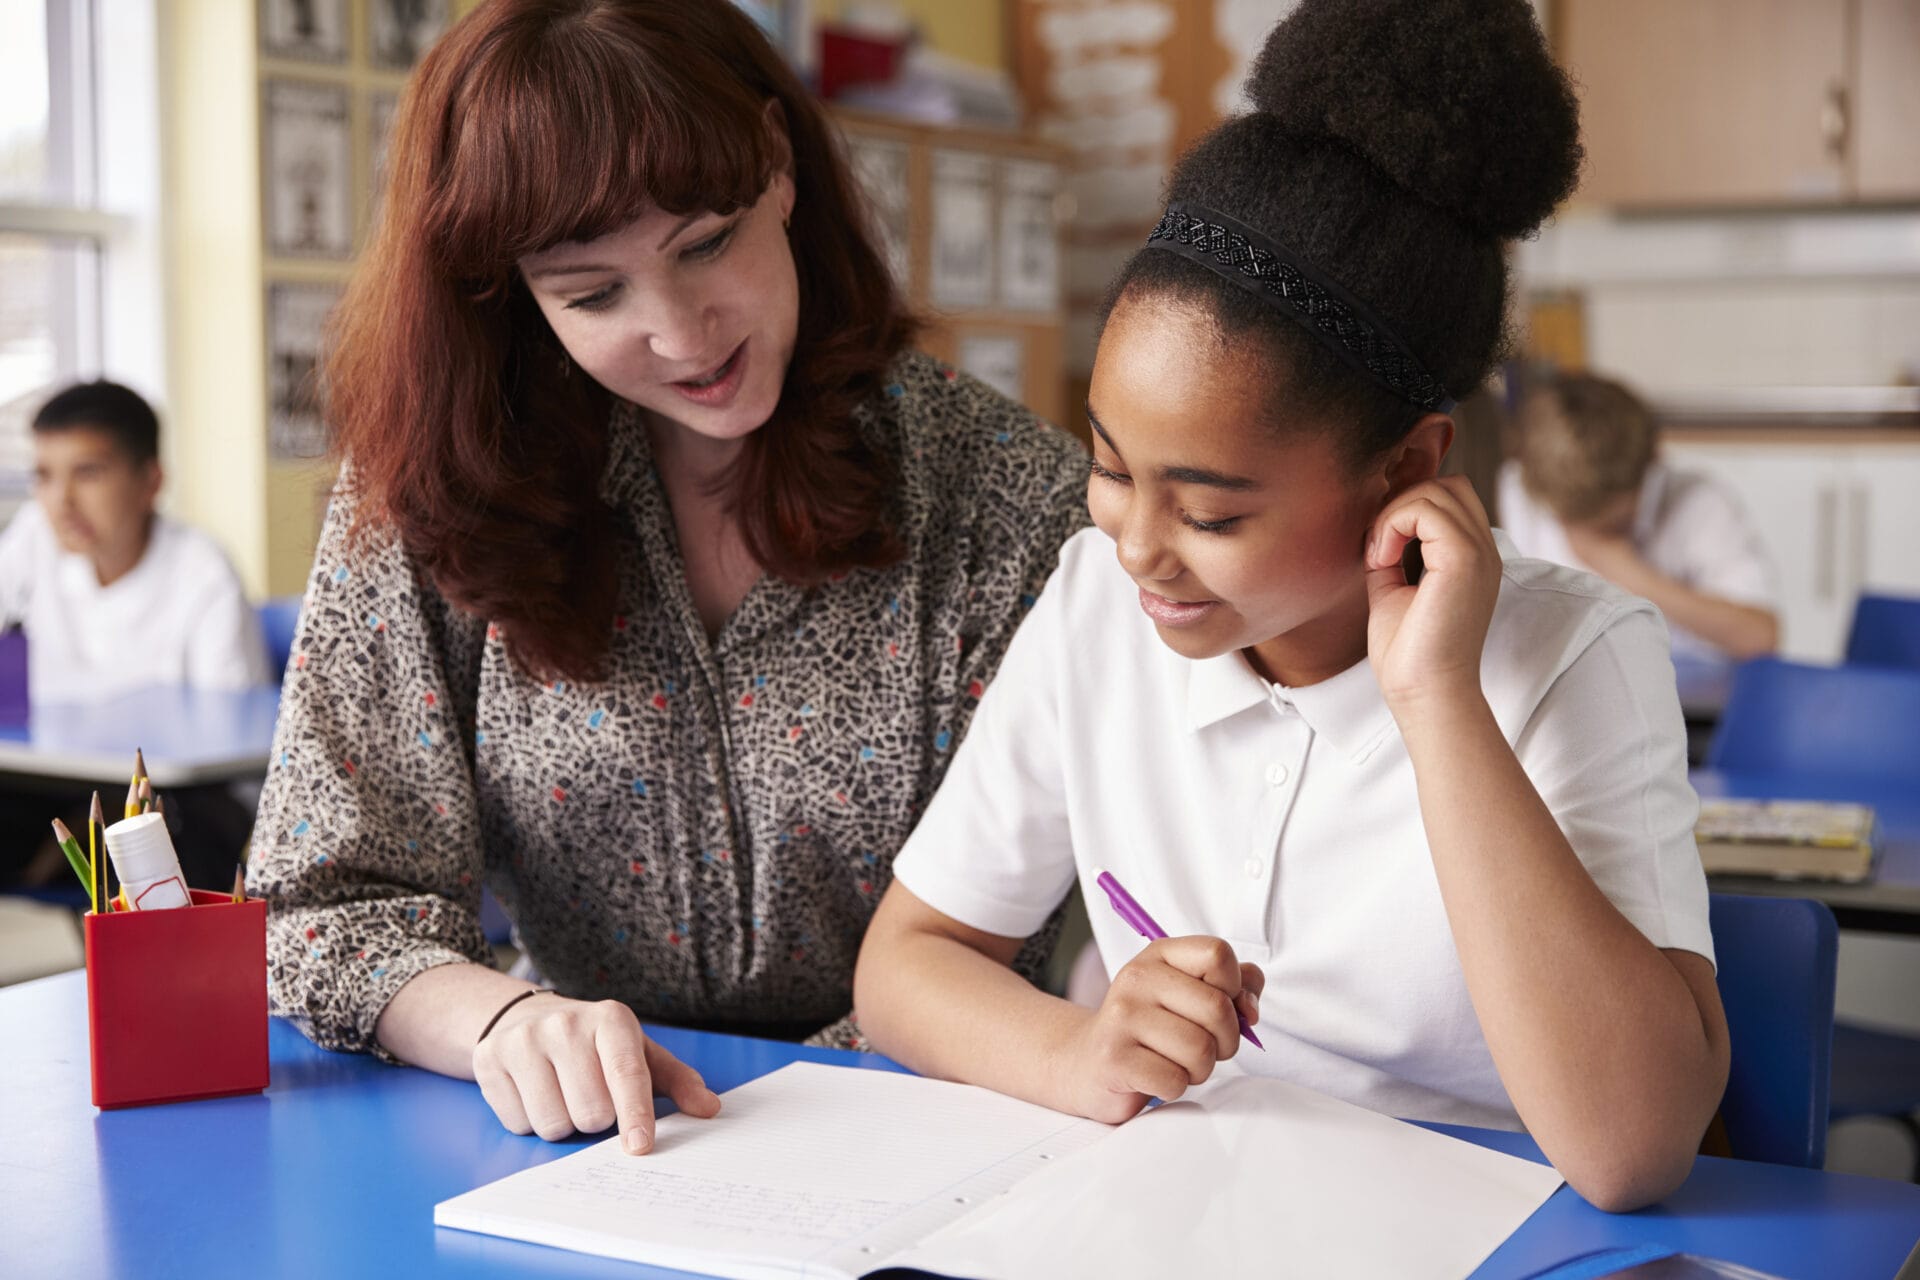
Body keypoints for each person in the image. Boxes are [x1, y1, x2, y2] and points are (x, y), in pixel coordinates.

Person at [853, 0, 1728, 1215]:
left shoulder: (1578, 653)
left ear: (1406, 470)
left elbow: (1631, 1151)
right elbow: (905, 964)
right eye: (1109, 466)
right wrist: (1077, 1047)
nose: (1138, 547)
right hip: (1178, 1219)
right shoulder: (1098, 604)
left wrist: (1435, 697)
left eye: (1211, 514)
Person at [247, 0, 1087, 1158]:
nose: (684, 333)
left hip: (920, 1128)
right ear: (510, 290)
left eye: (706, 244)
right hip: (579, 1136)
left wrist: (760, 1127)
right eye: (593, 293)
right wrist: (502, 1021)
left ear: (777, 165)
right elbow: (319, 906)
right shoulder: (431, 496)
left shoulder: (1007, 496)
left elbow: (1008, 934)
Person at [0, 380, 271, 703]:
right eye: (44, 476)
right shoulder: (33, 536)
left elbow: (232, 723)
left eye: (88, 473)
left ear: (150, 482)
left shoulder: (205, 575)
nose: (62, 501)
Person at [1498, 371, 1779, 661]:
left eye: (1614, 522)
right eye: (1573, 519)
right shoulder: (1517, 493)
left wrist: (1630, 575)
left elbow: (1760, 636)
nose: (1586, 532)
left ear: (1654, 460)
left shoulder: (1700, 502)